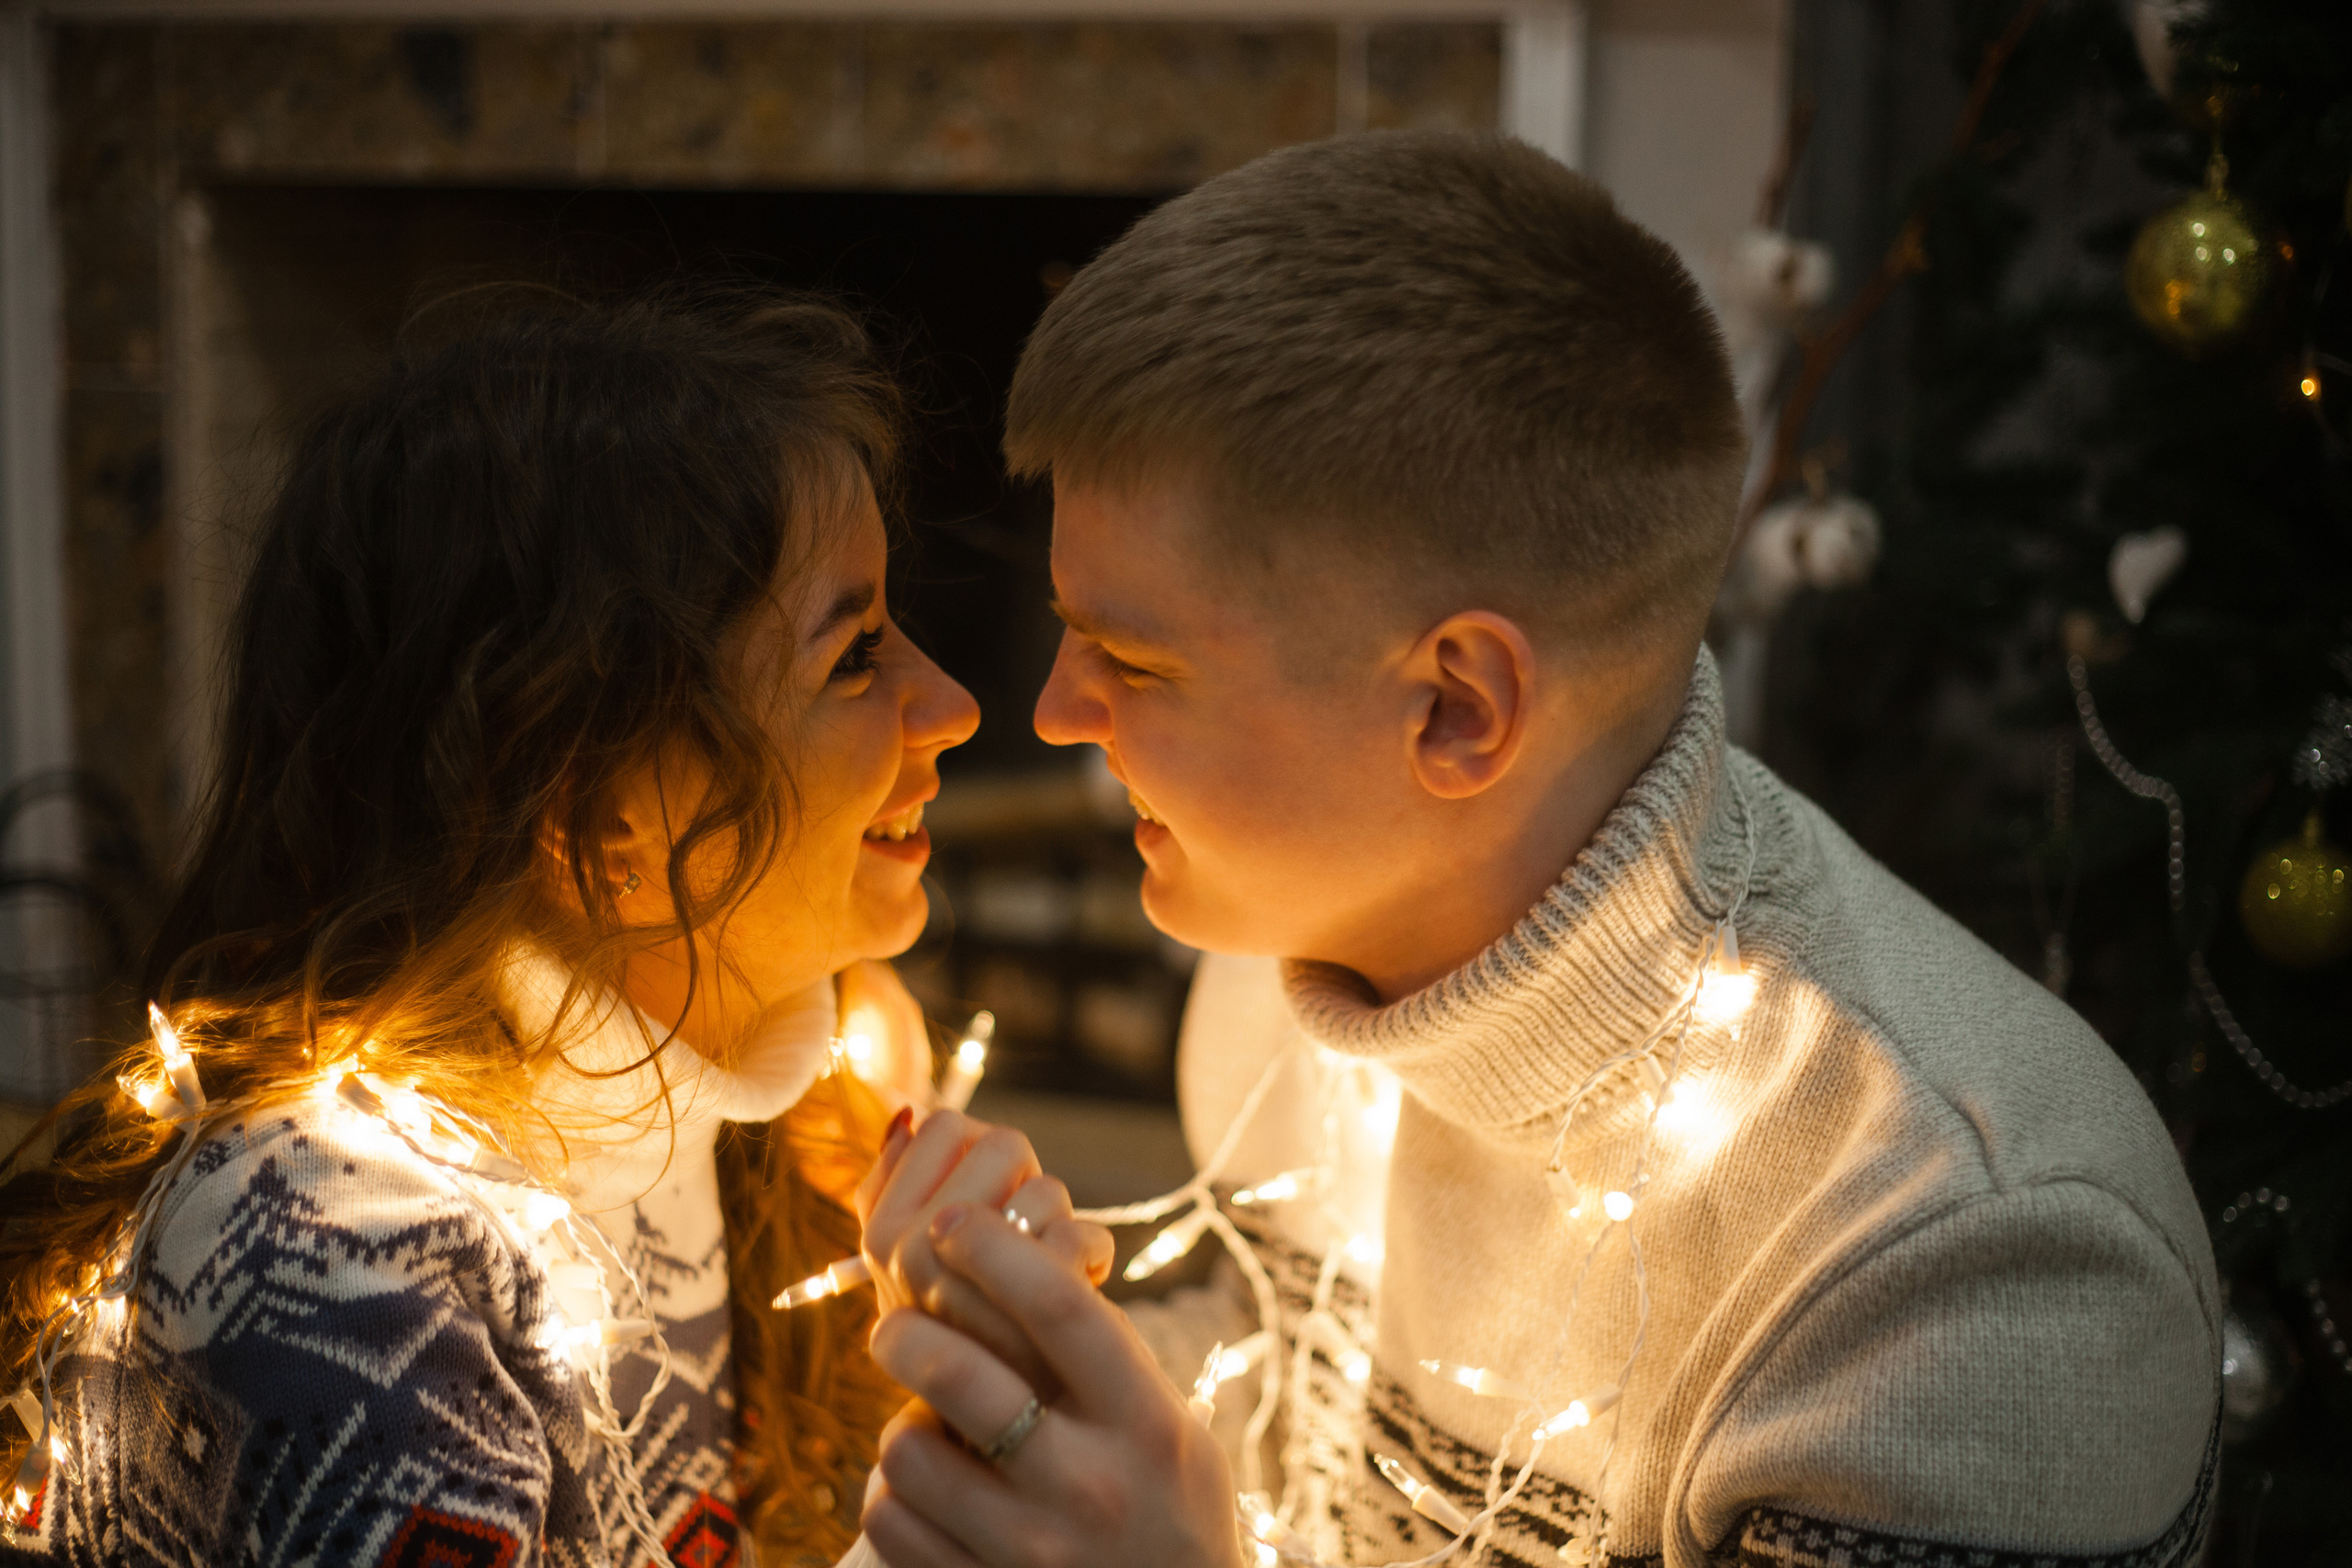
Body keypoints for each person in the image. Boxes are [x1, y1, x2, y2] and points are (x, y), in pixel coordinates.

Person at [855, 130, 2221, 1568]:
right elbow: (1291, 1441)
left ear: (1457, 708)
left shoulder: (1965, 1273)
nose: (1052, 714)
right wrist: (1050, 1374)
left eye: (1131, 657)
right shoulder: (1289, 977)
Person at [0, 291, 1106, 1568]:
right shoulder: (331, 1265)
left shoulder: (777, 1113)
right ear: (598, 827)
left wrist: (968, 1364)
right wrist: (967, 1509)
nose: (958, 705)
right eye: (854, 656)